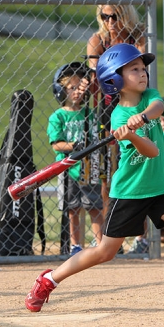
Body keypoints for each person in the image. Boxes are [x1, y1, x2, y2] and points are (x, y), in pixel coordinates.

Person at [24, 44, 164, 314]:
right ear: (115, 79)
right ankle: (49, 280)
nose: (142, 72)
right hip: (130, 193)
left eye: (142, 67)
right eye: (134, 69)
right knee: (105, 251)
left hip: (160, 188)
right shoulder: (118, 117)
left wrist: (143, 117)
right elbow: (152, 151)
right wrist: (133, 135)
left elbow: (159, 107)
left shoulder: (150, 97)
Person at [87, 0, 149, 254]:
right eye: (105, 16)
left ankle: (141, 237)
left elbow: (142, 68)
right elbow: (98, 79)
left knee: (138, 167)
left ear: (126, 14)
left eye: (116, 16)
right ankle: (106, 236)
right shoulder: (98, 40)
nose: (110, 22)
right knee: (105, 176)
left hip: (136, 105)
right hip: (107, 108)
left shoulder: (139, 36)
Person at [48, 62, 104, 256]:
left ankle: (100, 244)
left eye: (79, 87)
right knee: (73, 209)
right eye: (72, 88)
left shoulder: (89, 113)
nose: (77, 92)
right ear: (61, 90)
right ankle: (76, 246)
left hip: (90, 167)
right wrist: (75, 146)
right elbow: (56, 144)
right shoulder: (58, 116)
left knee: (95, 207)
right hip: (68, 169)